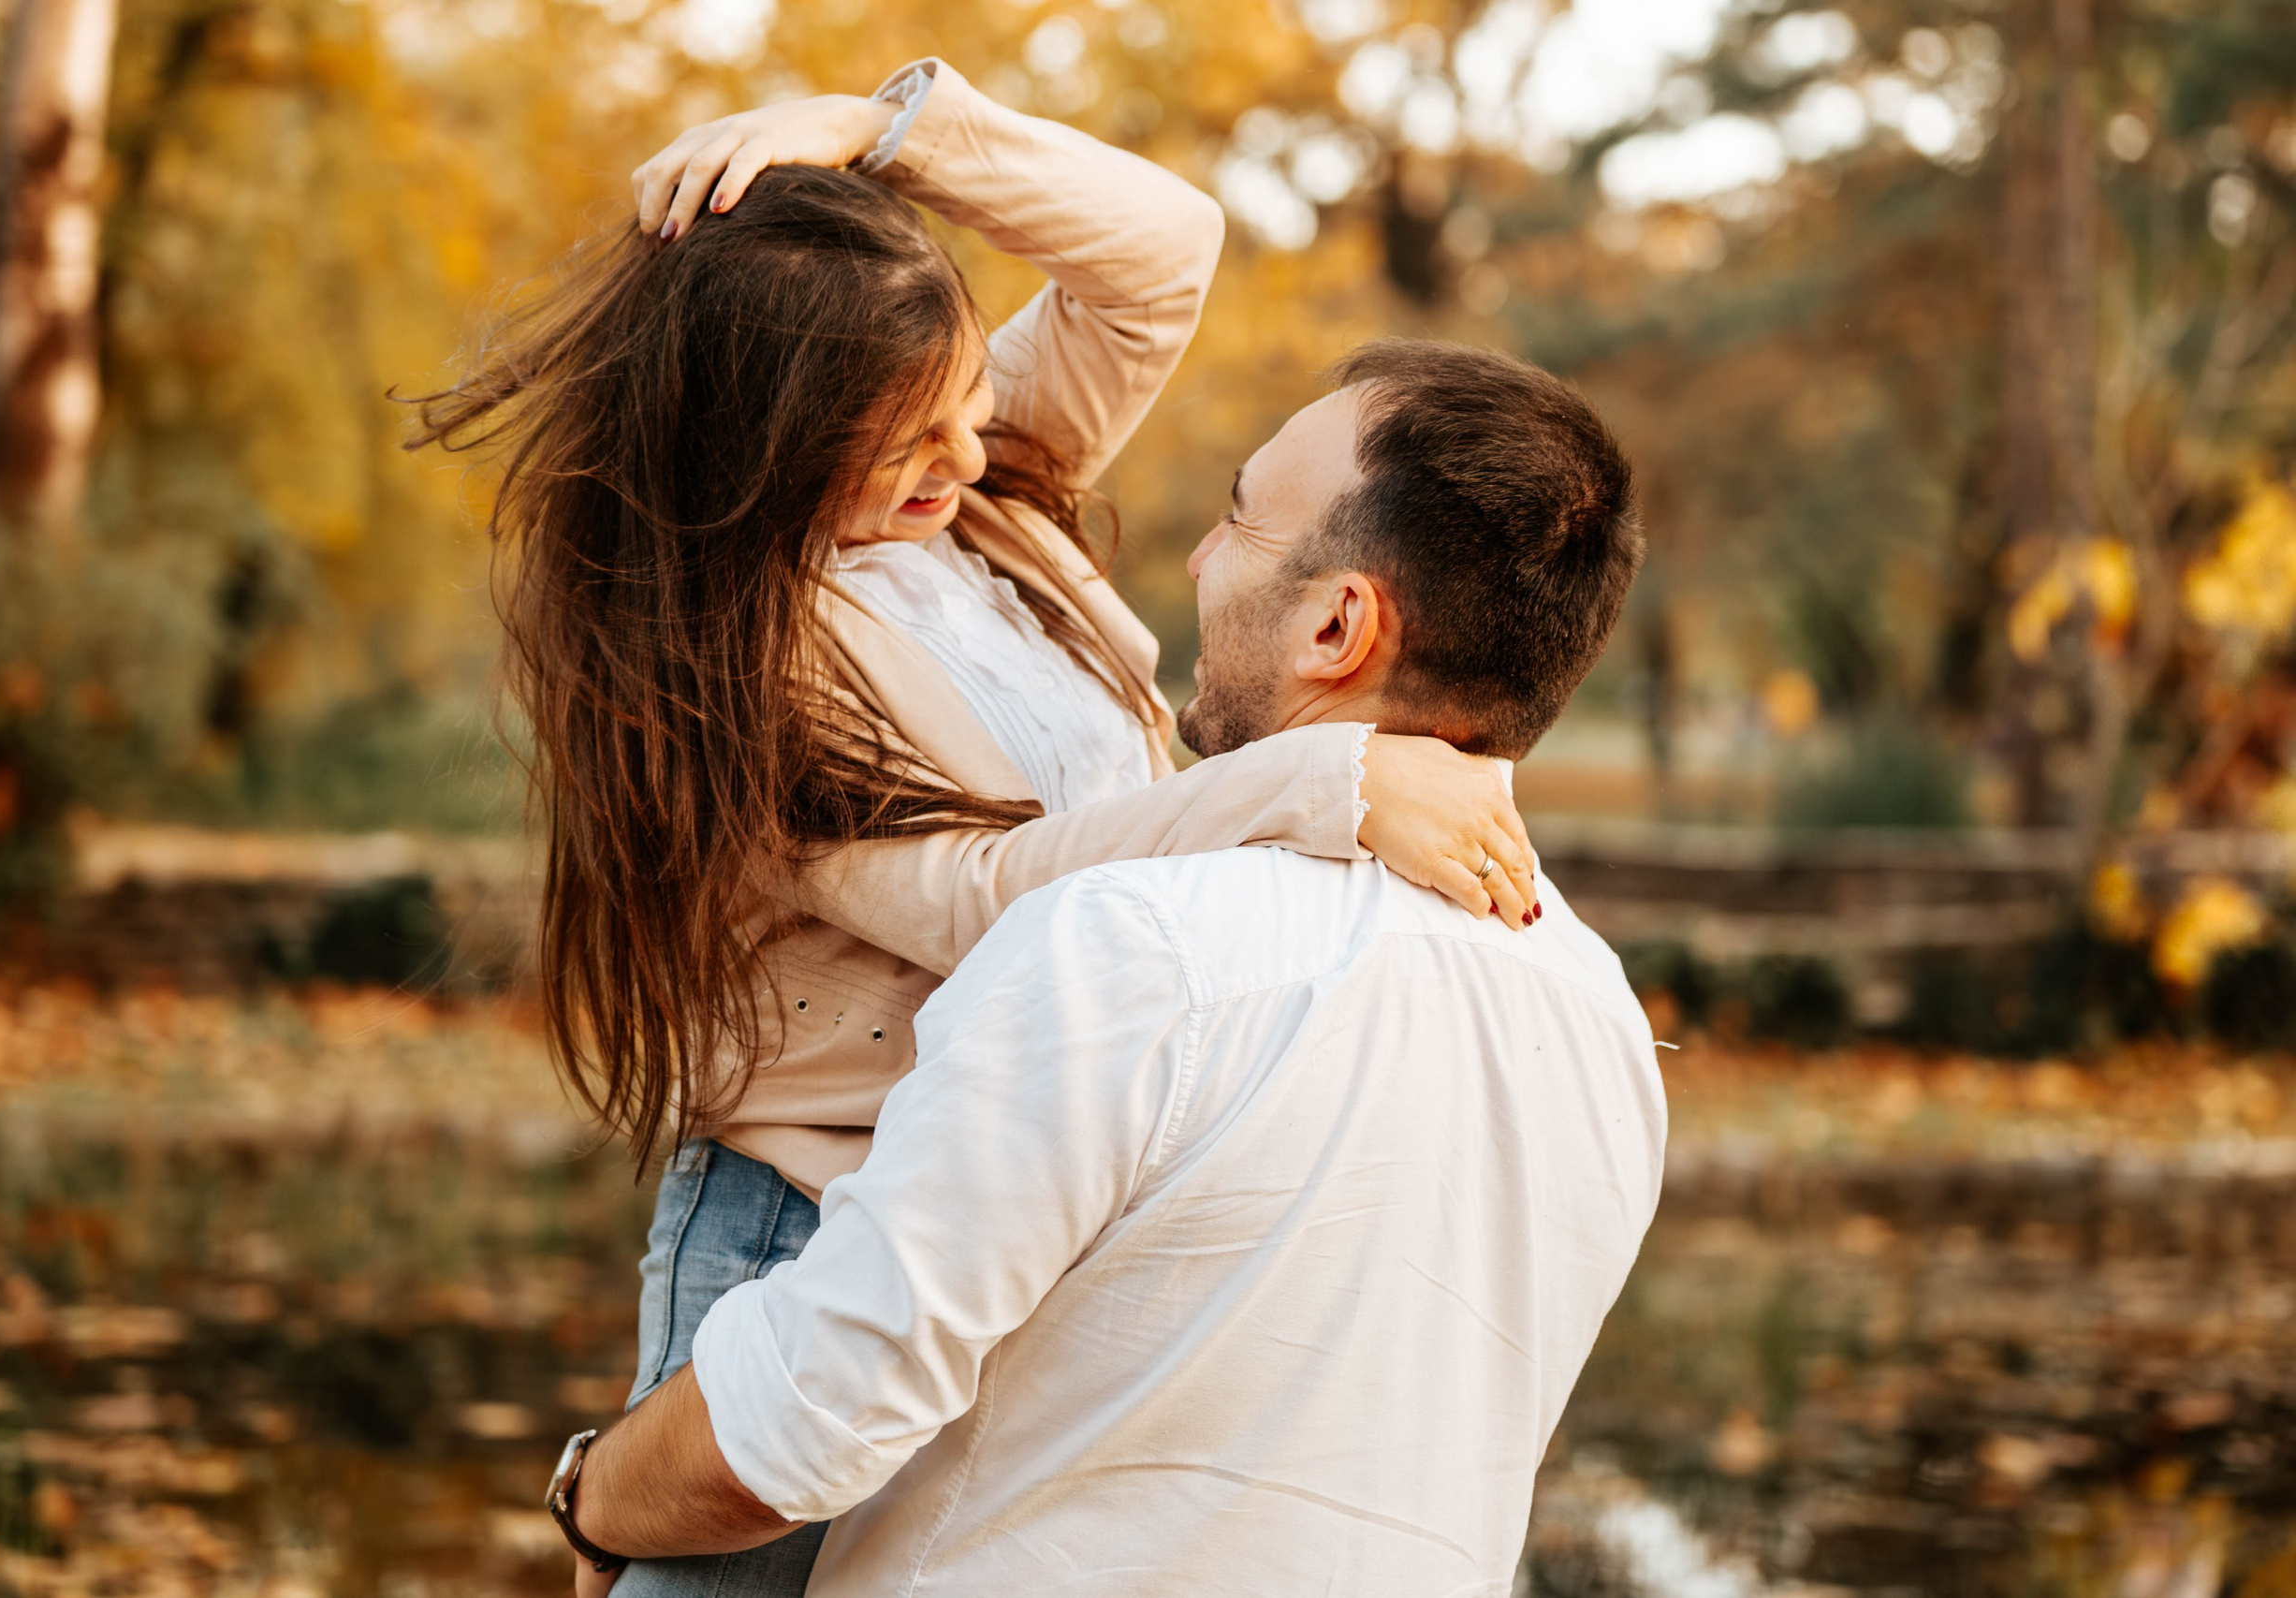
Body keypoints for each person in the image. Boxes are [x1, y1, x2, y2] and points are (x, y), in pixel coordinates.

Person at [410, 59, 1547, 1596]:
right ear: (769, 440)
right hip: (805, 1230)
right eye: (907, 439)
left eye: (965, 404)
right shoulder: (726, 662)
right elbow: (988, 898)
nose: (963, 454)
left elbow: (1161, 252)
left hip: (1012, 1200)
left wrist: (875, 134)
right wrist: (1335, 780)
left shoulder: (989, 503)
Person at [556, 338, 1663, 1596]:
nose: (1193, 558)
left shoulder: (1131, 951)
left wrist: (591, 1499)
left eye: (1240, 522)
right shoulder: (1601, 1024)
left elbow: (787, 1434)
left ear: (1336, 623)